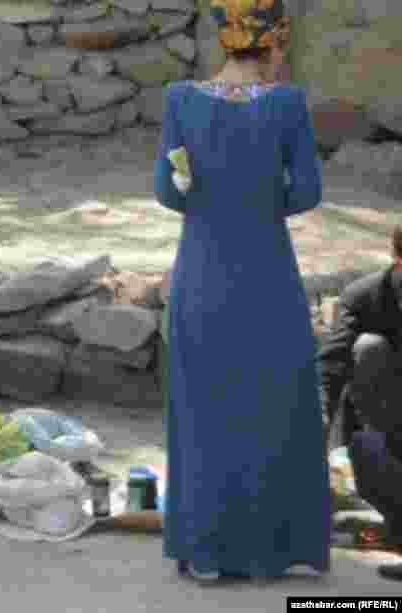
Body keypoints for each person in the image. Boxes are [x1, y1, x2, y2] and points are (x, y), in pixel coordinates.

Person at [154, 0, 330, 582]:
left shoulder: (180, 99)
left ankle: (205, 555)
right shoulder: (287, 103)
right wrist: (258, 199)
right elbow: (305, 192)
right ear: (275, 41)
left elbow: (169, 193)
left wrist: (213, 198)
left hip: (202, 273)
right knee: (272, 408)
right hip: (266, 276)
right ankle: (271, 550)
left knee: (203, 411)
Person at [318, 225, 402, 582]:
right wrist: (316, 422)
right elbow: (332, 364)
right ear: (398, 260)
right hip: (387, 421)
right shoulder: (364, 296)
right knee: (368, 348)